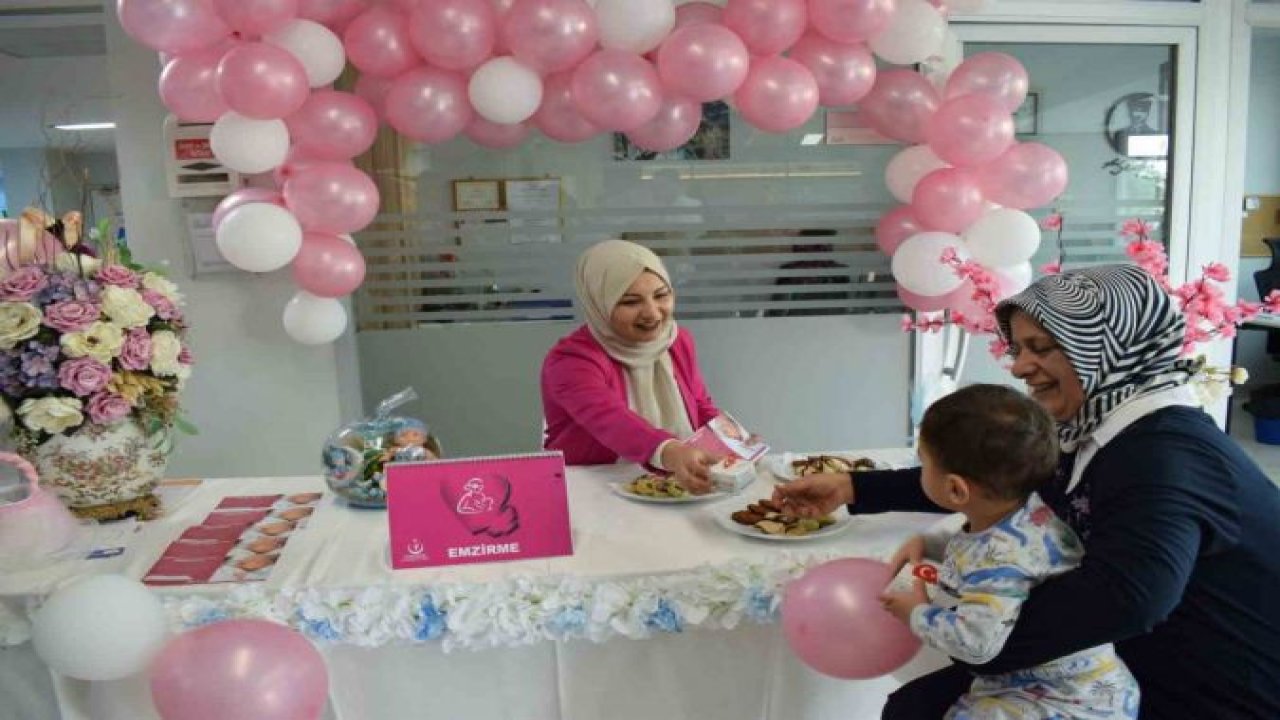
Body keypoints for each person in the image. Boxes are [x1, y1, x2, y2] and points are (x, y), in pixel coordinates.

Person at [774, 264, 1280, 719]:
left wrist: (973, 634)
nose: (1017, 367)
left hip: (1210, 687)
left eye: (1040, 348)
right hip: (1104, 661)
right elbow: (991, 479)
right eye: (1017, 349)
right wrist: (852, 487)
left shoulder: (1165, 454)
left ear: (1106, 345)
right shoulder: (1099, 427)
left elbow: (1131, 598)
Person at [879, 383, 1139, 719]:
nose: (921, 470)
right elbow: (983, 548)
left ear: (956, 489)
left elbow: (975, 643)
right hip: (1087, 680)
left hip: (1059, 701)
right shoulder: (1031, 512)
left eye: (923, 462)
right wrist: (929, 544)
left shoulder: (1000, 560)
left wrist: (917, 613)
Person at [542, 239, 722, 492]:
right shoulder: (570, 360)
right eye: (630, 302)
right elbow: (610, 419)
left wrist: (731, 440)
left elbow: (700, 403)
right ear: (598, 302)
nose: (652, 313)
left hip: (672, 483)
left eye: (661, 295)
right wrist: (670, 451)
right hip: (591, 486)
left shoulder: (677, 340)